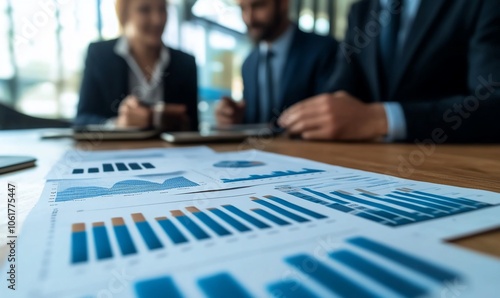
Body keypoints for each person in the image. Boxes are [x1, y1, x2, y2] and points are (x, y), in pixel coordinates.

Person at [279, 0, 500, 143]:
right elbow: (342, 87)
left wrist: (382, 119)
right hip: (373, 169)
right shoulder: (361, 10)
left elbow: (493, 104)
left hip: (454, 165)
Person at [76, 0, 198, 131]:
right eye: (144, 10)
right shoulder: (100, 55)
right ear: (124, 14)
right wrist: (117, 124)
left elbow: (194, 125)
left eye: (162, 9)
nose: (157, 20)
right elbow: (82, 120)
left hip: (171, 150)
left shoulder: (185, 62)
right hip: (117, 149)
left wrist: (175, 121)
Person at [215, 0, 338, 126]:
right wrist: (235, 119)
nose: (249, 18)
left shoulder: (325, 50)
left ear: (284, 3)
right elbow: (254, 121)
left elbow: (332, 115)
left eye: (258, 6)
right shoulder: (249, 64)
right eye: (243, 9)